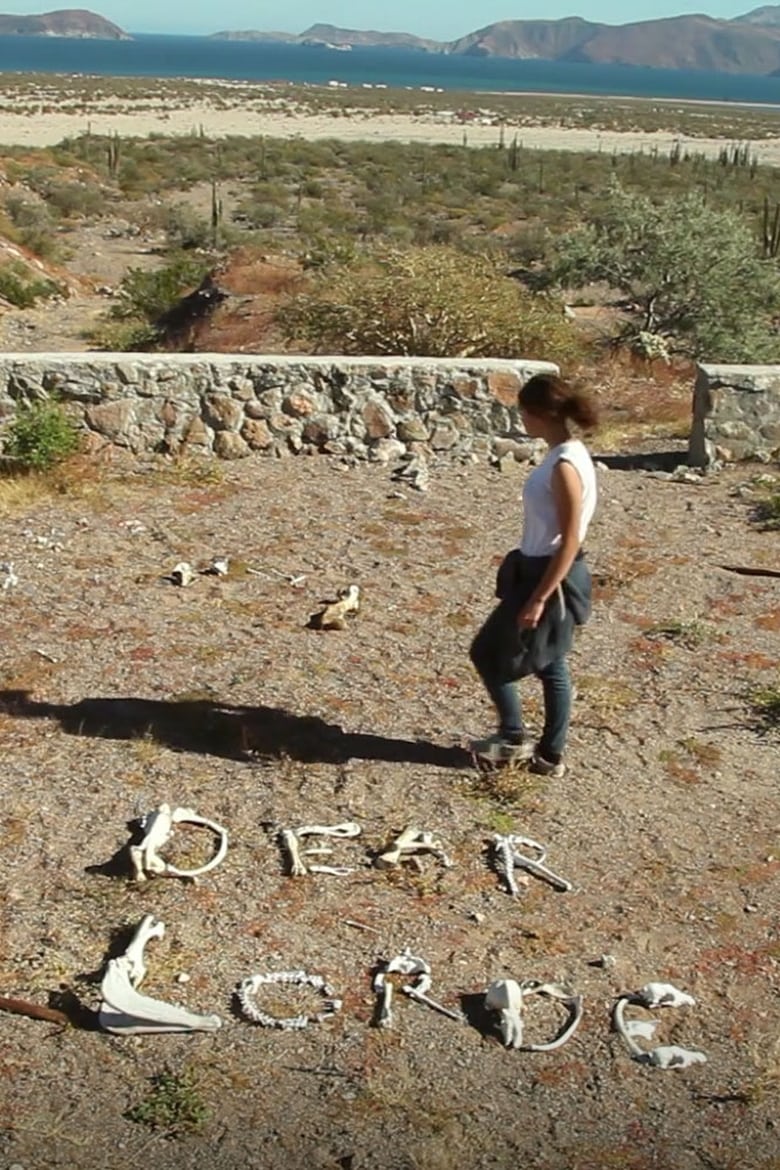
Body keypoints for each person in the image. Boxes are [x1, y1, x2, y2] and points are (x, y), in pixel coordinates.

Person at [469, 372, 598, 778]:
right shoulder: (568, 453)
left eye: (524, 412)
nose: (521, 419)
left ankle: (513, 737)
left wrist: (541, 596)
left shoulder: (564, 465)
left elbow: (571, 538)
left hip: (550, 575)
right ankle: (548, 755)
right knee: (551, 664)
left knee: (488, 653)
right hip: (540, 569)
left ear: (540, 413)